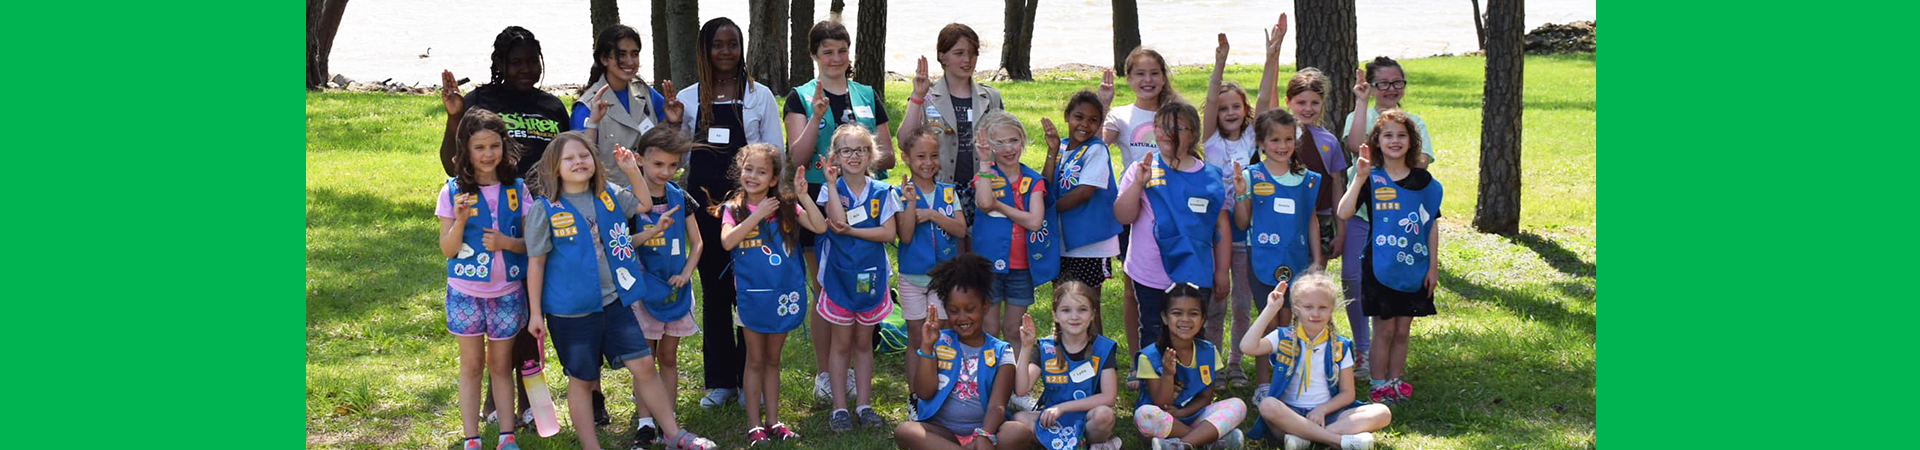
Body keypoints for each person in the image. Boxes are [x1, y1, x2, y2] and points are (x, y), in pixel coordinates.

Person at [522, 132, 715, 450]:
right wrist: (534, 313)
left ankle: (673, 434)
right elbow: (536, 265)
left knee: (643, 366)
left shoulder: (607, 194)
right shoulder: (545, 209)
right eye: (569, 158)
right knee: (582, 379)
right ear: (555, 167)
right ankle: (591, 446)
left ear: (594, 162)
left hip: (614, 301)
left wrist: (630, 170)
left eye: (583, 156)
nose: (578, 162)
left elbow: (642, 204)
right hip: (571, 310)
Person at [435, 27, 568, 426]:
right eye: (516, 62)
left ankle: (531, 404)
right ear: (500, 64)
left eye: (532, 61)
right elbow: (451, 162)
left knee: (530, 313)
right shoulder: (481, 102)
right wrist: (455, 116)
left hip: (537, 217)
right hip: (487, 230)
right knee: (501, 315)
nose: (525, 69)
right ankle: (496, 403)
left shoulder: (552, 106)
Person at [672, 16, 786, 410]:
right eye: (717, 44)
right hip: (703, 211)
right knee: (716, 293)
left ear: (742, 47)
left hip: (749, 210)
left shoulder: (761, 96)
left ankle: (748, 376)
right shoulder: (686, 99)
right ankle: (720, 381)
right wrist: (672, 124)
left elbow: (775, 155)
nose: (725, 51)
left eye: (732, 43)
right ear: (704, 49)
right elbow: (674, 156)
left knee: (750, 290)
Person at [785, 20, 896, 396]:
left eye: (842, 50)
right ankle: (825, 375)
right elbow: (797, 156)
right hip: (819, 203)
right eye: (827, 51)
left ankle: (852, 365)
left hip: (863, 201)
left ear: (850, 53)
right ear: (814, 55)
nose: (836, 58)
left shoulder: (867, 93)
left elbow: (889, 155)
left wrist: (856, 163)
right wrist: (817, 117)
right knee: (826, 289)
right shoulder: (800, 96)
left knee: (860, 285)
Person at [1336, 56, 1438, 379]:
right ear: (1371, 85)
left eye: (1398, 82)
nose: (1391, 88)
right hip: (1365, 215)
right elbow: (1355, 145)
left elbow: (1421, 164)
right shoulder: (1360, 115)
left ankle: (1393, 379)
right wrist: (1362, 102)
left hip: (1402, 228)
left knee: (1401, 326)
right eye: (1384, 83)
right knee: (1355, 279)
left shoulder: (1413, 121)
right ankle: (1364, 353)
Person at [720, 143, 829, 445]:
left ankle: (773, 420)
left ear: (772, 179)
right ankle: (754, 424)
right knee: (754, 360)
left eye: (761, 172)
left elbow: (819, 227)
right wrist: (757, 215)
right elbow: (728, 242)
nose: (753, 176)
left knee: (772, 360)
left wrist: (803, 196)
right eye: (748, 169)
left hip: (782, 295)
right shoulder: (733, 208)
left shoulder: (785, 206)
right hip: (751, 296)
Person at [435, 109, 531, 450]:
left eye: (494, 145)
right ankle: (471, 438)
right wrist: (459, 221)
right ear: (465, 150)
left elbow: (533, 243)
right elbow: (448, 249)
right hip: (465, 294)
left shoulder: (518, 190)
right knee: (472, 366)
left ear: (504, 147)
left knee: (501, 366)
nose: (488, 154)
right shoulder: (451, 192)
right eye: (479, 147)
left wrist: (508, 244)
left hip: (506, 293)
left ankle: (507, 436)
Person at [1114, 102, 1232, 359]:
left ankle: (1190, 386)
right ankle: (1151, 385)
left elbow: (1221, 225)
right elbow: (1122, 215)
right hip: (1149, 271)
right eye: (1162, 126)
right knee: (1153, 329)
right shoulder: (1142, 168)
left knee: (1191, 331)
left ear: (1194, 134)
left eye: (1178, 127)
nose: (1169, 132)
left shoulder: (1211, 176)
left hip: (1195, 270)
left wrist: (1222, 271)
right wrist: (1137, 185)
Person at [1230, 107, 1322, 402]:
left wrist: (1317, 259)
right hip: (1262, 261)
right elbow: (1242, 223)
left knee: (1292, 324)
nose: (1282, 147)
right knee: (1267, 321)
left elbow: (1311, 220)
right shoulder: (1251, 175)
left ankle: (1290, 381)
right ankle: (1263, 385)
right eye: (1274, 140)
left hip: (1297, 261)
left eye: (1288, 139)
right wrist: (1242, 193)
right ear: (1260, 143)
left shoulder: (1306, 179)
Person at [815, 124, 902, 431]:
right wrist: (831, 181)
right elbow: (836, 222)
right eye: (846, 150)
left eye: (861, 150)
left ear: (871, 154)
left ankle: (864, 404)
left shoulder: (883, 191)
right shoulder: (830, 190)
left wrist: (853, 232)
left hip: (872, 280)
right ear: (835, 156)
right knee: (840, 345)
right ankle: (840, 408)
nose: (854, 156)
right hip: (840, 279)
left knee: (864, 344)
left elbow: (888, 233)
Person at [621, 127, 705, 447]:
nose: (665, 172)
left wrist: (686, 273)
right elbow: (623, 245)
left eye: (673, 166)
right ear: (640, 160)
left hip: (676, 288)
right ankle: (645, 423)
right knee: (646, 357)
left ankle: (668, 420)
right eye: (658, 165)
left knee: (668, 356)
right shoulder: (629, 201)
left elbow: (696, 243)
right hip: (643, 291)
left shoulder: (680, 197)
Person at [1241, 275, 1391, 450]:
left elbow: (1347, 394)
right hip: (1289, 415)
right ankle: (1337, 440)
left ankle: (1304, 438)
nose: (1315, 313)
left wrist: (1322, 410)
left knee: (1382, 412)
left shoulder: (1340, 345)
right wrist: (1271, 309)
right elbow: (1247, 347)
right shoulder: (1283, 337)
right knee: (1267, 405)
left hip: (1327, 415)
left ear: (1331, 310)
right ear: (1296, 309)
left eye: (1322, 307)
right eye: (1308, 307)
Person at [893, 254, 1022, 450]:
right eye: (954, 310)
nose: (962, 317)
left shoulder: (1001, 351)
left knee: (1018, 432)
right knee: (905, 431)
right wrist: (927, 348)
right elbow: (924, 393)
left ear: (985, 306)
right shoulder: (939, 342)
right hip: (942, 431)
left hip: (984, 432)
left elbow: (998, 405)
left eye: (970, 309)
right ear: (945, 309)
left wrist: (985, 434)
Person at [1104, 47, 1181, 363]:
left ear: (1163, 78)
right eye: (1140, 73)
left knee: (1172, 287)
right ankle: (1140, 357)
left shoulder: (1177, 113)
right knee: (1133, 287)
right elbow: (1093, 146)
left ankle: (1173, 353)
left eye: (1154, 73)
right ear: (1128, 78)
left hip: (1171, 210)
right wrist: (1103, 103)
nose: (1148, 79)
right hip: (1133, 208)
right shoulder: (1120, 115)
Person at [1200, 30, 1265, 390]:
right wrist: (1220, 62)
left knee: (1241, 303)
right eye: (1223, 108)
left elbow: (1267, 98)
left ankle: (1237, 362)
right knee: (1214, 303)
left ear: (1245, 111)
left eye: (1235, 107)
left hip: (1243, 228)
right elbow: (1210, 102)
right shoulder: (1208, 138)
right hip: (1212, 231)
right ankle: (1213, 362)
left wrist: (1271, 56)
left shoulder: (1252, 137)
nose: (1228, 112)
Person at [968, 110, 1061, 358]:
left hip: (1022, 268)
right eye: (999, 143)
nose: (1008, 148)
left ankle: (1017, 386)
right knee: (988, 326)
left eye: (1013, 140)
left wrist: (1001, 207)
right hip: (988, 265)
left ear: (1023, 140)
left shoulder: (1033, 180)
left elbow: (1034, 221)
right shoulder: (986, 175)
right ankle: (989, 380)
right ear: (988, 146)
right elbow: (985, 202)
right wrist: (985, 162)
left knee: (1012, 328)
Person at [895, 24, 1005, 228]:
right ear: (942, 56)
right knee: (945, 254)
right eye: (959, 53)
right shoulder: (927, 96)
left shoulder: (990, 97)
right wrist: (917, 96)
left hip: (982, 188)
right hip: (937, 189)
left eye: (972, 54)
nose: (967, 60)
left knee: (977, 256)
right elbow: (904, 141)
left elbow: (1003, 144)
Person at [1041, 91, 1122, 343]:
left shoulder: (1096, 150)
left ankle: (1097, 357)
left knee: (1088, 302)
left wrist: (1046, 213)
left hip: (1090, 244)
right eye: (1079, 117)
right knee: (1062, 298)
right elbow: (1045, 183)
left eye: (1093, 120)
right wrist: (1052, 151)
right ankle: (1062, 351)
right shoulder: (1062, 146)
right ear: (1067, 116)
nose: (1085, 125)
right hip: (1063, 242)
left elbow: (1084, 192)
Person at [1005, 281, 1122, 450]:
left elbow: (1108, 397)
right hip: (1053, 418)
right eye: (1066, 310)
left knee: (1104, 416)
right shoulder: (1046, 347)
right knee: (1019, 420)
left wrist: (1062, 408)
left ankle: (1069, 441)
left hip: (1087, 416)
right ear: (1055, 315)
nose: (1074, 316)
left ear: (1092, 314)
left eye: (1082, 310)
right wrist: (1026, 347)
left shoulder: (1103, 348)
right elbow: (1022, 389)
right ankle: (1083, 444)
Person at [895, 129, 969, 391]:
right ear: (906, 158)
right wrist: (912, 204)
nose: (928, 162)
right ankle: (916, 393)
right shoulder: (898, 193)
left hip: (943, 278)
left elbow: (960, 230)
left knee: (941, 334)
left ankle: (943, 389)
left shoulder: (949, 193)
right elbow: (904, 236)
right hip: (912, 277)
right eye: (921, 156)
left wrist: (933, 214)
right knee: (916, 336)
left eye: (934, 155)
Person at [1132, 284, 1247, 449]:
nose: (1185, 319)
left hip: (1194, 416)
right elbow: (1161, 405)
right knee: (1145, 415)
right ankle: (1209, 440)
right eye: (1177, 313)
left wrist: (1182, 413)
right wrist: (1167, 374)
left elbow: (1205, 397)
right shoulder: (1149, 357)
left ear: (1202, 319)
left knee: (1238, 405)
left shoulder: (1208, 351)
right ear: (1164, 317)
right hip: (1162, 418)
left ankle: (1182, 445)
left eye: (1193, 314)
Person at [574, 24, 684, 190]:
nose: (630, 62)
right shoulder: (586, 106)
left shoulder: (646, 93)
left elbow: (667, 148)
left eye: (635, 54)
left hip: (651, 193)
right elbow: (580, 160)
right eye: (621, 54)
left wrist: (673, 122)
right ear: (604, 59)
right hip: (610, 199)